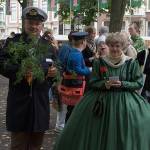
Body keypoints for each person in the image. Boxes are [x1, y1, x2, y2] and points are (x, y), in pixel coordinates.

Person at [54, 32, 150, 150]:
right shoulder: (99, 62)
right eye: (112, 45)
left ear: (123, 46)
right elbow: (93, 82)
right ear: (108, 45)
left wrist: (123, 84)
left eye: (118, 45)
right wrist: (104, 84)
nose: (114, 48)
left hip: (125, 103)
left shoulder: (131, 62)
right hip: (101, 101)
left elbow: (138, 83)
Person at [0, 6, 57, 150]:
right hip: (19, 101)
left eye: (37, 24)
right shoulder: (13, 42)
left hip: (40, 102)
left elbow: (56, 68)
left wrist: (53, 74)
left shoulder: (48, 46)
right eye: (30, 22)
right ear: (24, 23)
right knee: (18, 144)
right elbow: (2, 64)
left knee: (36, 144)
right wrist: (21, 70)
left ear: (42, 26)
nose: (34, 26)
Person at [58, 32, 91, 123]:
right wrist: (89, 70)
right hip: (76, 86)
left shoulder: (73, 52)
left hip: (73, 85)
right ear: (83, 42)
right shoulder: (77, 54)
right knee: (74, 109)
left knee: (71, 108)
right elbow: (78, 70)